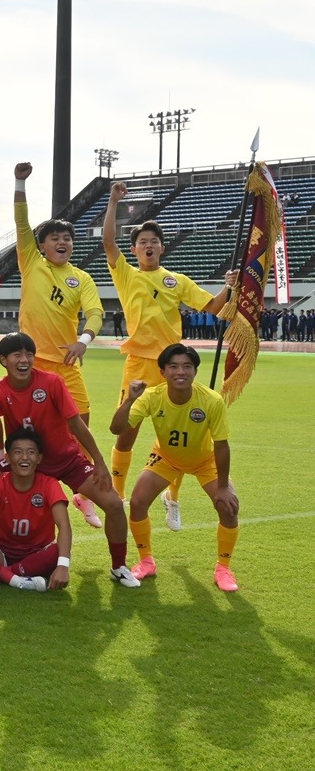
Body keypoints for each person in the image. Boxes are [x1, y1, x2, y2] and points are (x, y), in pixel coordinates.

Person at [102, 181, 239, 532]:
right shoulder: (126, 276)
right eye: (142, 242)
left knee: (180, 434)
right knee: (127, 432)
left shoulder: (176, 280)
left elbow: (210, 305)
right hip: (137, 363)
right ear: (134, 250)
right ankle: (115, 495)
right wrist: (114, 201)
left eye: (153, 242)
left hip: (171, 367)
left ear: (162, 247)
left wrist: (228, 287)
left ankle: (171, 499)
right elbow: (108, 241)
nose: (148, 246)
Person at [0, 331, 139, 587]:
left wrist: (99, 461)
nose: (24, 360)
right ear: (3, 360)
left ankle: (118, 566)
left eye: (29, 354)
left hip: (66, 460)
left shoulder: (52, 382)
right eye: (17, 354)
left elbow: (77, 425)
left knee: (114, 505)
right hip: (26, 463)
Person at [13, 161, 105, 525]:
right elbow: (22, 222)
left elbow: (95, 313)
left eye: (67, 238)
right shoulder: (30, 262)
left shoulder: (81, 277)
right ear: (42, 245)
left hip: (66, 364)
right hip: (29, 365)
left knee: (81, 424)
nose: (62, 242)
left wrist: (83, 340)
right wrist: (19, 183)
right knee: (32, 431)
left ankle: (82, 494)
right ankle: (31, 490)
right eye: (55, 238)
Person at [110, 344, 241, 592]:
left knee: (228, 507)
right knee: (137, 503)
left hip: (205, 461)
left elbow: (222, 446)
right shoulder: (151, 396)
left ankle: (223, 568)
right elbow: (116, 429)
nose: (181, 372)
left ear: (195, 371)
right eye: (173, 366)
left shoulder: (212, 400)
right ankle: (146, 561)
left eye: (187, 367)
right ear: (162, 372)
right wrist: (130, 399)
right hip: (166, 458)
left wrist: (223, 487)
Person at [0, 431, 71, 592]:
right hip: (1, 553)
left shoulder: (49, 484)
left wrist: (63, 566)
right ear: (7, 458)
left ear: (39, 458)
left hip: (37, 553)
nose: (24, 457)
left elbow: (64, 525)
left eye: (31, 452)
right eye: (18, 452)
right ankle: (20, 579)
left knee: (56, 552)